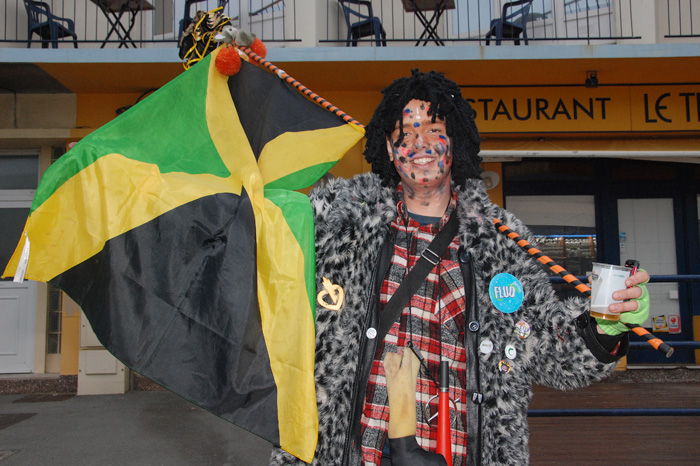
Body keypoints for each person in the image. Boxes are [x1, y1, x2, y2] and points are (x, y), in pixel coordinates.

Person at [269, 70, 649, 466]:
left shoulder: (501, 244)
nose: (420, 143)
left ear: (457, 140)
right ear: (387, 144)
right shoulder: (335, 226)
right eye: (406, 131)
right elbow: (261, 269)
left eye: (434, 128)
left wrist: (604, 327)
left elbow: (548, 353)